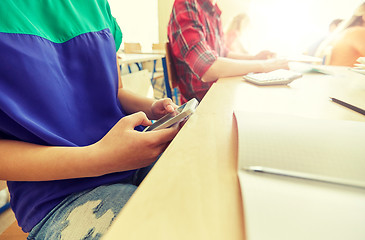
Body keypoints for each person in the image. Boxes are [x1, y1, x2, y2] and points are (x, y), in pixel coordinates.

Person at [0, 1, 179, 239]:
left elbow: (115, 92)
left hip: (133, 158)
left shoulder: (97, 4)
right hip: (57, 196)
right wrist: (101, 157)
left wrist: (152, 108)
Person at [167, 0, 289, 104]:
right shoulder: (187, 4)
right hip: (202, 105)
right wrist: (264, 66)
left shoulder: (214, 12)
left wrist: (254, 58)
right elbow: (208, 68)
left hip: (221, 92)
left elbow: (224, 53)